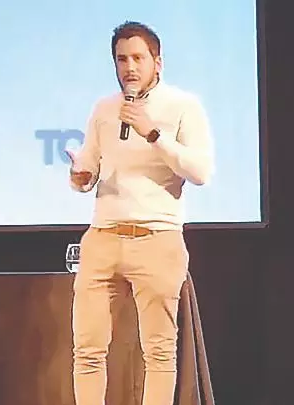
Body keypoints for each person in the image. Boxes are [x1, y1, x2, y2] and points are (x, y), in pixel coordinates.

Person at [65, 21, 214, 405]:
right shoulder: (104, 109)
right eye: (121, 59)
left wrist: (153, 134)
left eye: (137, 58)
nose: (129, 67)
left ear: (157, 62)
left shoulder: (183, 106)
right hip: (103, 238)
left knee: (159, 352)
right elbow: (90, 168)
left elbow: (200, 171)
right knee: (87, 349)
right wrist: (81, 176)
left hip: (157, 239)